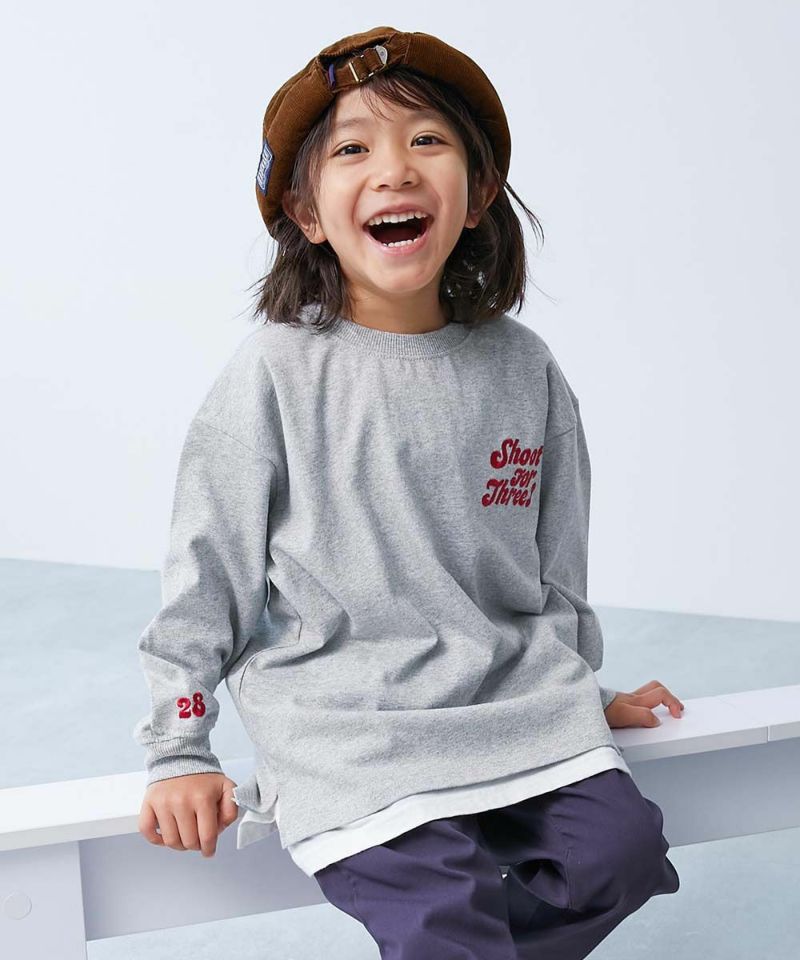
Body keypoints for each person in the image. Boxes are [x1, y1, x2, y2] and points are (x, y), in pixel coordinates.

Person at [133, 26, 684, 959]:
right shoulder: (274, 372)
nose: (395, 168)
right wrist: (178, 750)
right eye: (353, 149)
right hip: (351, 729)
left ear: (478, 194)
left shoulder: (524, 367)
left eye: (427, 140)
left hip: (518, 704)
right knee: (445, 919)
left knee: (623, 857)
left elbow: (554, 571)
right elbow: (206, 576)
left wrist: (582, 691)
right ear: (307, 212)